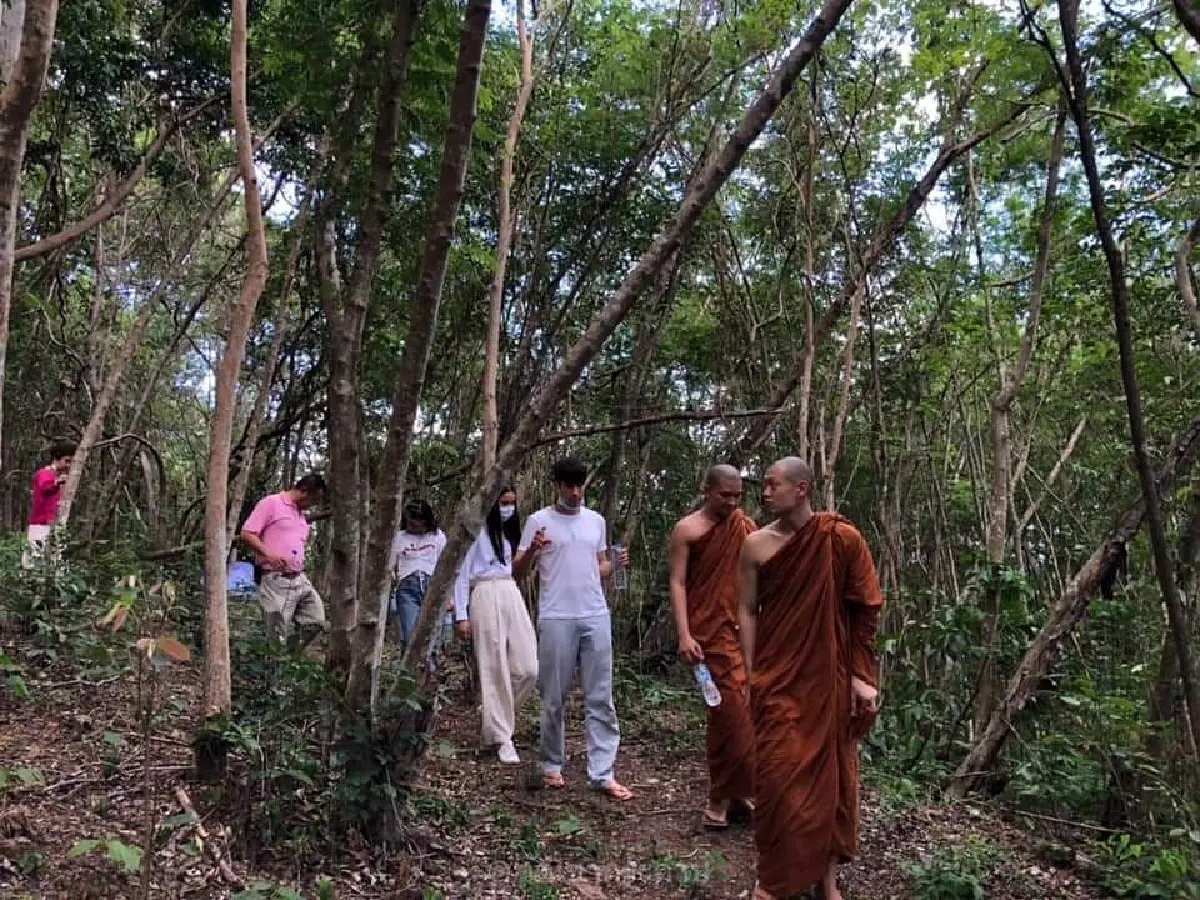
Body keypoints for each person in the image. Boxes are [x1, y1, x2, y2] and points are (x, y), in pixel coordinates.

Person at [738, 457, 884, 900]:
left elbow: (866, 608)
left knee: (831, 779)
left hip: (830, 678)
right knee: (779, 779)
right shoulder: (755, 546)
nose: (764, 493)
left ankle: (826, 880)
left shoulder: (841, 539)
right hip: (778, 679)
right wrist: (751, 671)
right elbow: (746, 610)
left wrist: (862, 675)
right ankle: (774, 878)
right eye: (763, 485)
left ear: (801, 489)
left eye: (772, 484)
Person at [515, 456, 632, 801]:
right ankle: (552, 765)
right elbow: (517, 572)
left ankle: (603, 773)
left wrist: (616, 563)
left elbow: (599, 568)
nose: (576, 492)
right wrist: (531, 552)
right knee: (553, 696)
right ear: (558, 485)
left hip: (595, 614)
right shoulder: (539, 521)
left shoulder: (596, 521)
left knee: (601, 697)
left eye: (580, 485)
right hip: (556, 616)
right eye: (569, 485)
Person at [668, 464, 756, 829]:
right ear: (706, 490)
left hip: (740, 633)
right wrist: (684, 634)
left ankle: (734, 794)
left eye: (738, 496)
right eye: (725, 495)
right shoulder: (687, 530)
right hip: (707, 637)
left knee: (743, 715)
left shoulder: (746, 527)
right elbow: (678, 583)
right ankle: (719, 796)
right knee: (727, 713)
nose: (732, 503)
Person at [453, 487, 538, 764]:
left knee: (528, 668)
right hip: (484, 591)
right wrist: (461, 615)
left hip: (509, 590)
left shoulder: (511, 532)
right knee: (494, 665)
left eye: (513, 503)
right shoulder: (476, 530)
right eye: (503, 503)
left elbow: (517, 567)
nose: (508, 508)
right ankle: (502, 738)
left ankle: (492, 714)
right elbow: (462, 573)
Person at [240, 474, 329, 648]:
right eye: (314, 499)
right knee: (276, 633)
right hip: (275, 580)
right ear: (303, 491)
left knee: (316, 620)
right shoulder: (272, 503)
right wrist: (269, 555)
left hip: (299, 578)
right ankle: (275, 668)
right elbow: (247, 533)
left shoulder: (301, 515)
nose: (314, 504)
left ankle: (290, 655)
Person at [390, 499, 447, 649]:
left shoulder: (438, 537)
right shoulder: (399, 538)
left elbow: (446, 564)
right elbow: (390, 565)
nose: (414, 528)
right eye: (411, 524)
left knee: (433, 635)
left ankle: (431, 670)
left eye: (417, 524)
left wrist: (451, 597)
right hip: (407, 587)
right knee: (411, 636)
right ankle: (410, 670)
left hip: (432, 585)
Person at [23, 441, 76, 568]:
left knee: (56, 562)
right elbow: (45, 487)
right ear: (56, 458)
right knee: (34, 561)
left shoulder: (62, 477)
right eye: (67, 461)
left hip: (55, 524)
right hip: (41, 525)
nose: (69, 465)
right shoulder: (45, 473)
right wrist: (57, 483)